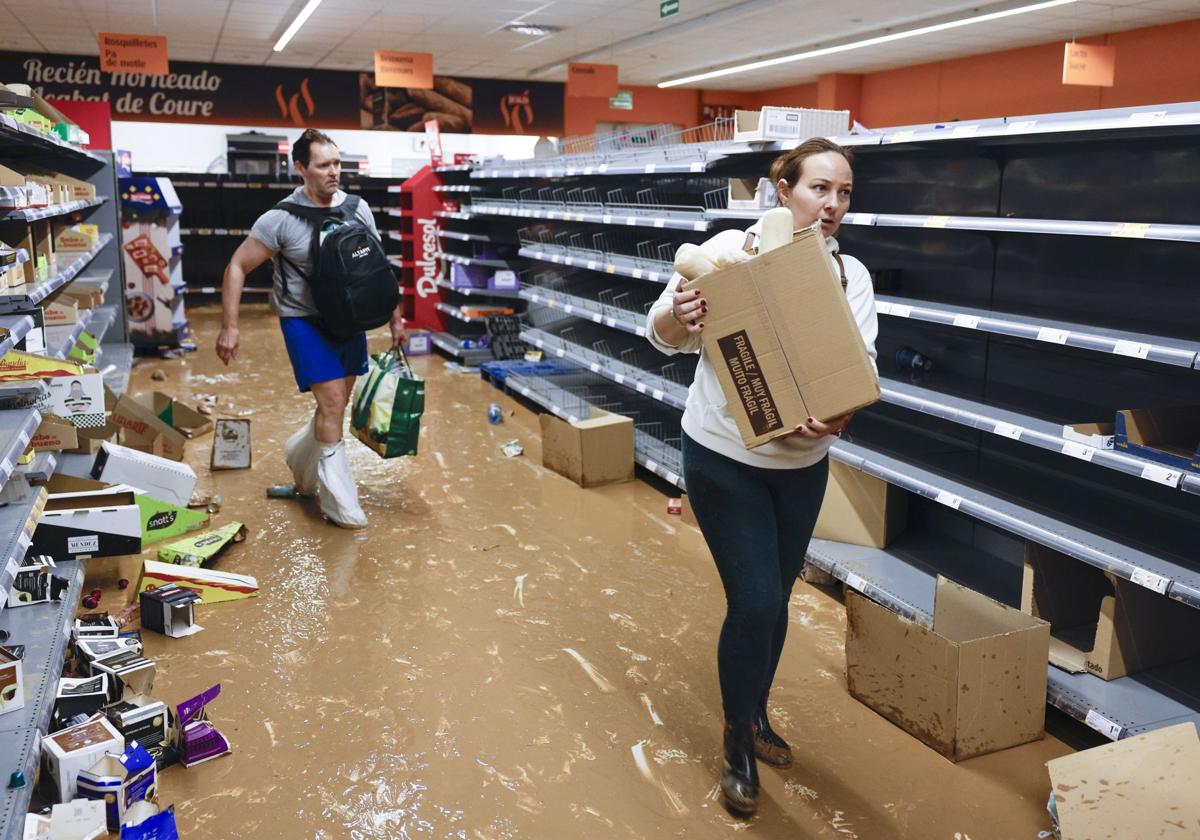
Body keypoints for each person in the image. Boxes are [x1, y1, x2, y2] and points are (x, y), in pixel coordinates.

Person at [645, 137, 878, 816]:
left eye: (843, 192)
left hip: (800, 467)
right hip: (723, 457)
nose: (831, 204)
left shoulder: (847, 275)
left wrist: (836, 419)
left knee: (775, 598)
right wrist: (679, 314)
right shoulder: (725, 252)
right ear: (783, 188)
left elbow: (857, 370)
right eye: (818, 188)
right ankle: (737, 739)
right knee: (754, 602)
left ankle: (756, 707)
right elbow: (660, 332)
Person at [216, 128, 405, 528]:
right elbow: (236, 266)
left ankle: (300, 466)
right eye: (323, 165)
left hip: (349, 319)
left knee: (334, 404)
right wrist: (229, 327)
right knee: (333, 402)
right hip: (303, 320)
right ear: (301, 168)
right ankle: (342, 505)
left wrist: (395, 317)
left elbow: (377, 269)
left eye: (337, 163)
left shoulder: (358, 209)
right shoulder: (280, 219)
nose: (334, 172)